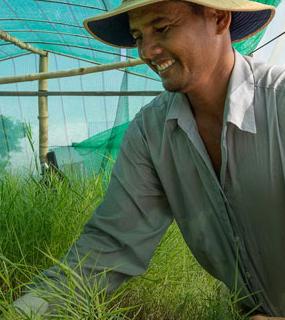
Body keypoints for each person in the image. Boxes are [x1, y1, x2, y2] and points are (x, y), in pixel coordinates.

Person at [9, 0, 285, 319]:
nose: (146, 51)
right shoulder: (151, 132)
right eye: (138, 36)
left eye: (162, 28)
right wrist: (21, 314)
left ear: (219, 18)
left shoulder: (278, 104)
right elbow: (109, 246)